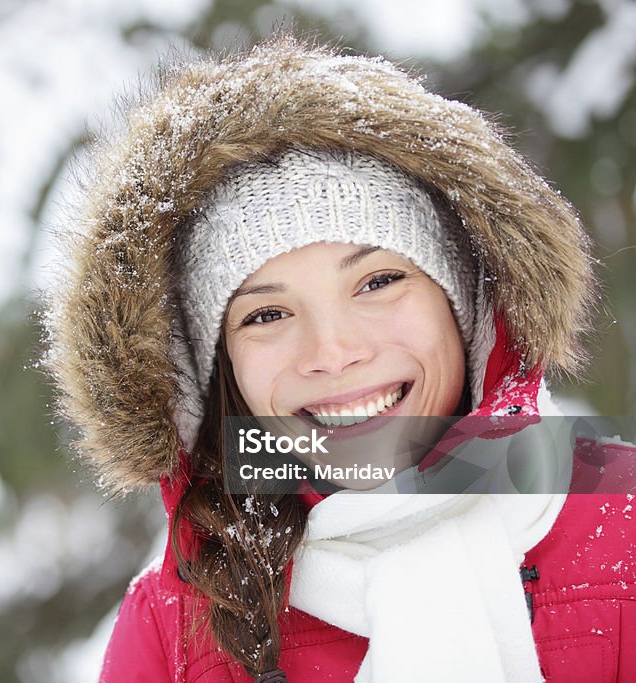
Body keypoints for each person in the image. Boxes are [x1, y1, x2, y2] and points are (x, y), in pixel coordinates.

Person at [42, 36, 636, 682]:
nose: (334, 353)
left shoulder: (624, 521)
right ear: (215, 368)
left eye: (378, 281)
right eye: (266, 314)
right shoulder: (174, 627)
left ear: (464, 298)